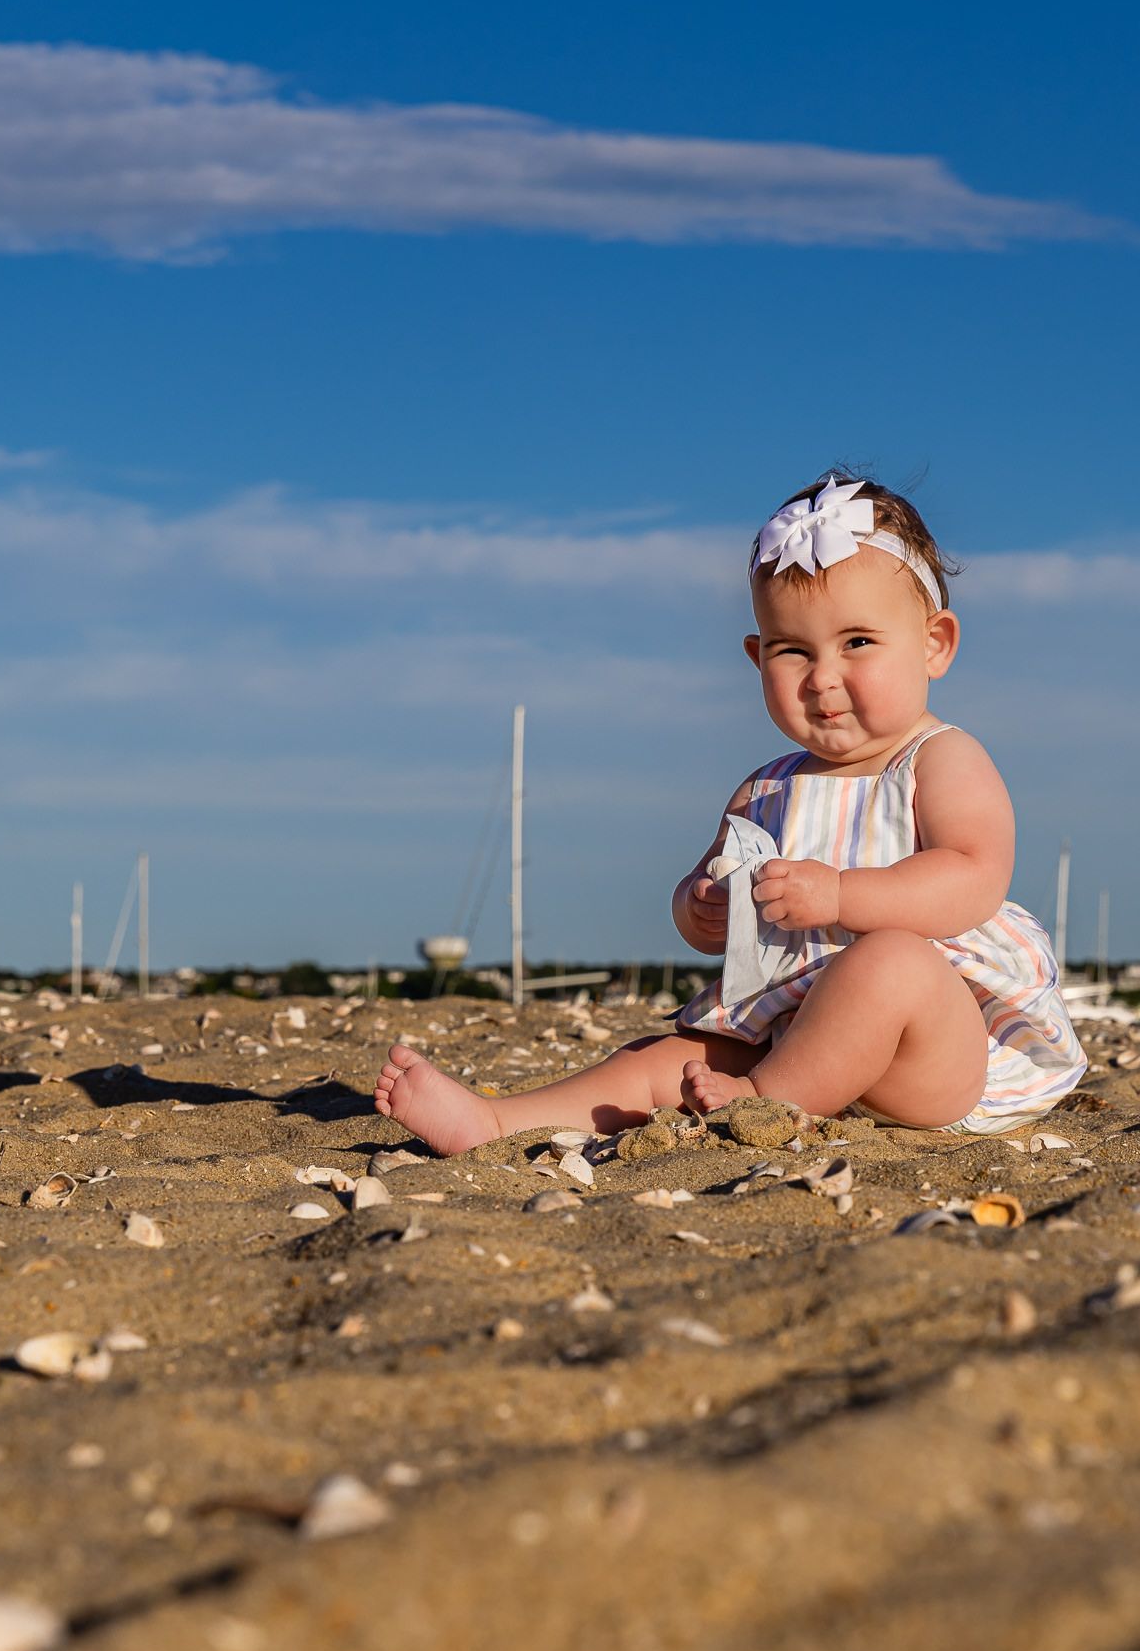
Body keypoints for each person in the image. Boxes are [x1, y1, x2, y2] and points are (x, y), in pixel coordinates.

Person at [372, 472, 1085, 1154]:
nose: (823, 678)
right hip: (789, 1031)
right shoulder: (764, 790)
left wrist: (841, 895)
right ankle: (497, 1122)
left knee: (890, 961)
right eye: (792, 650)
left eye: (858, 643)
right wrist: (702, 906)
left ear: (934, 643)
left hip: (931, 1053)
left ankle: (765, 1104)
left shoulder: (938, 759)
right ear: (756, 657)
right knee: (659, 1060)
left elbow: (973, 876)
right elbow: (702, 898)